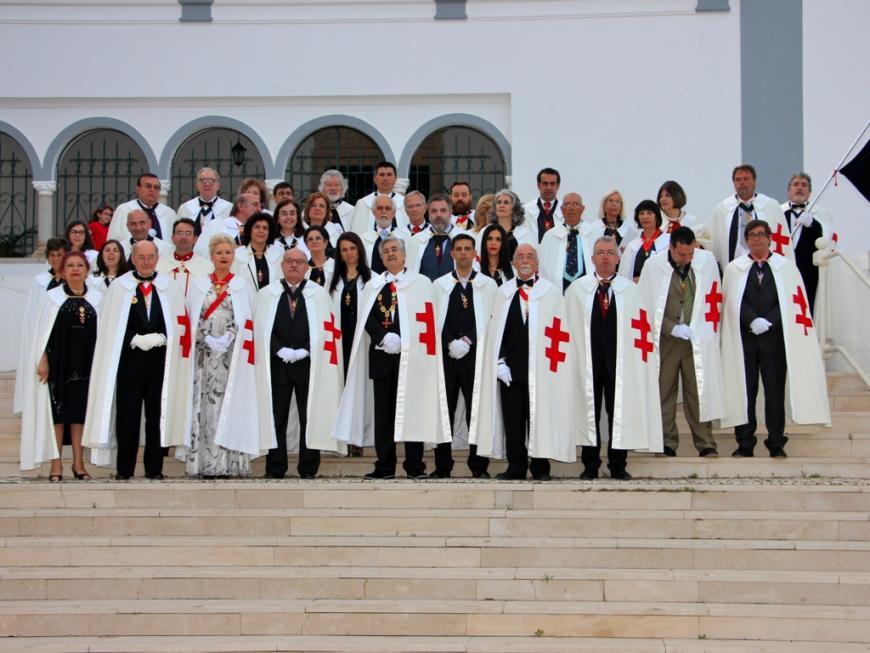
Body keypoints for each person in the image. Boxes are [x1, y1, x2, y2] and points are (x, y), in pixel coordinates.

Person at [334, 235, 445, 478]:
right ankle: (385, 465)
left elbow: (428, 320)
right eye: (386, 252)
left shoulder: (421, 283)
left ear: (405, 255)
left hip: (412, 359)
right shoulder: (373, 285)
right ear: (381, 258)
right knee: (384, 415)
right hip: (382, 355)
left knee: (412, 411)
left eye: (395, 250)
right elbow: (366, 318)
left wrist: (406, 341)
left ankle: (415, 466)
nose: (391, 254)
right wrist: (383, 337)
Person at [720, 219, 830, 458]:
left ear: (769, 237)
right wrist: (751, 320)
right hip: (745, 342)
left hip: (774, 342)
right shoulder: (734, 268)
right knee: (745, 393)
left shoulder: (785, 267)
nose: (757, 238)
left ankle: (776, 442)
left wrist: (769, 320)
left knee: (774, 394)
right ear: (746, 240)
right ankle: (745, 443)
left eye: (761, 234)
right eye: (752, 235)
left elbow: (792, 300)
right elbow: (731, 301)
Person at [83, 240, 192, 480]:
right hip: (129, 364)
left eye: (150, 257)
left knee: (156, 417)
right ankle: (124, 469)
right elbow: (111, 325)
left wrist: (164, 336)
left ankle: (155, 468)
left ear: (156, 258)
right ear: (132, 259)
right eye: (141, 257)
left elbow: (179, 322)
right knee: (127, 417)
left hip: (159, 363)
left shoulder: (169, 286)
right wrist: (133, 338)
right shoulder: (119, 287)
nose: (146, 261)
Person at [565, 236, 663, 480]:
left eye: (610, 252)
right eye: (600, 253)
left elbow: (642, 329)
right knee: (589, 413)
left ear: (618, 259)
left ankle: (618, 464)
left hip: (620, 365)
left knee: (619, 413)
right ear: (593, 259)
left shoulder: (630, 291)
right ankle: (590, 464)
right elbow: (567, 328)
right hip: (588, 364)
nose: (606, 257)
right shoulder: (577, 290)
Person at [475, 244, 575, 480]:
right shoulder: (503, 292)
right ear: (513, 263)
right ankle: (516, 466)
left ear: (537, 263)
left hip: (541, 370)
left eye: (530, 256)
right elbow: (494, 330)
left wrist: (552, 366)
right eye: (520, 256)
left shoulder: (550, 292)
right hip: (511, 370)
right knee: (513, 420)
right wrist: (498, 362)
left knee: (540, 417)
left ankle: (541, 467)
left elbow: (560, 332)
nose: (525, 260)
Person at [255, 247, 347, 478]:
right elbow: (261, 328)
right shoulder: (268, 294)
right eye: (289, 261)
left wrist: (306, 350)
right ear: (282, 265)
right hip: (278, 365)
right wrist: (279, 350)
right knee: (277, 418)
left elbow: (326, 329)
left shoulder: (319, 294)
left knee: (310, 416)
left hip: (309, 366)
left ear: (307, 267)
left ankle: (308, 467)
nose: (294, 265)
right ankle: (275, 467)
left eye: (299, 261)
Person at [637, 227, 724, 457]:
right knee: (664, 392)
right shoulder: (653, 266)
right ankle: (666, 442)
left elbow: (713, 297)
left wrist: (701, 329)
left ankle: (705, 442)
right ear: (671, 248)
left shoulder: (705, 262)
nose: (686, 259)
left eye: (690, 254)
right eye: (681, 255)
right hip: (666, 340)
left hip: (695, 340)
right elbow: (646, 306)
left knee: (698, 392)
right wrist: (671, 328)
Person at [20, 251, 103, 479]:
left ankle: (78, 464)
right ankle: (56, 464)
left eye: (80, 265)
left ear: (87, 270)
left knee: (79, 415)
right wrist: (42, 359)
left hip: (87, 364)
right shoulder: (52, 298)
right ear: (63, 271)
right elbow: (42, 334)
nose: (75, 269)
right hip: (58, 364)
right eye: (70, 266)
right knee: (57, 415)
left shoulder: (98, 298)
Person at [184, 234, 257, 477]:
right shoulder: (199, 284)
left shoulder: (241, 285)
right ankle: (205, 463)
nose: (224, 256)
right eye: (219, 253)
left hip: (232, 357)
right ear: (211, 256)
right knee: (205, 408)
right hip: (205, 356)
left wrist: (229, 336)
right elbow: (191, 316)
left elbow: (248, 318)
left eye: (228, 252)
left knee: (230, 405)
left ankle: (230, 464)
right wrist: (206, 337)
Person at [432, 233, 497, 478]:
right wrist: (450, 341)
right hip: (447, 357)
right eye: (457, 249)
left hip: (475, 357)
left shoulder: (487, 285)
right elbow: (436, 318)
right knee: (444, 410)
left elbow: (489, 317)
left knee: (475, 410)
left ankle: (478, 465)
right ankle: (442, 465)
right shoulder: (440, 285)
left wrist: (468, 340)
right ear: (452, 253)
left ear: (474, 253)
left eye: (467, 249)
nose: (462, 253)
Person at [14, 237, 70, 416]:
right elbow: (34, 315)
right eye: (52, 255)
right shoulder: (40, 281)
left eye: (60, 255)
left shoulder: (73, 280)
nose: (56, 259)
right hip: (47, 340)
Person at [329, 232, 372, 457]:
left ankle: (359, 437)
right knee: (341, 387)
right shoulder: (333, 280)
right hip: (339, 340)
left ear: (359, 250)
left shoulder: (371, 279)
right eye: (344, 249)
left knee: (359, 389)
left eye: (352, 248)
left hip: (361, 340)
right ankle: (341, 437)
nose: (348, 253)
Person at [710, 164, 793, 269]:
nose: (742, 182)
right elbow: (716, 245)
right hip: (735, 268)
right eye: (738, 179)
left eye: (746, 179)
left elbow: (783, 240)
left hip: (765, 267)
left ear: (754, 182)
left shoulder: (771, 206)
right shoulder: (722, 210)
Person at [781, 172, 834, 314]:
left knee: (807, 309)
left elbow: (829, 237)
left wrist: (813, 224)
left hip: (809, 272)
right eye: (796, 184)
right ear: (789, 190)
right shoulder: (779, 212)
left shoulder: (820, 213)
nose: (800, 188)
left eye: (804, 185)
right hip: (783, 268)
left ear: (809, 192)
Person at [538, 192, 595, 292]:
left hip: (587, 290)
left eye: (575, 204)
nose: (571, 208)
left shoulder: (594, 234)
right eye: (567, 204)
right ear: (561, 209)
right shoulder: (550, 236)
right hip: (558, 291)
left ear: (583, 209)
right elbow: (542, 267)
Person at [108, 173, 177, 242]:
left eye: (156, 187)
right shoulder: (124, 210)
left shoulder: (169, 213)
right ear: (138, 189)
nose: (152, 190)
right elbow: (113, 240)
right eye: (148, 186)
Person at [156, 218, 211, 296]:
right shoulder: (159, 265)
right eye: (179, 233)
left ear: (195, 239)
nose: (183, 237)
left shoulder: (207, 267)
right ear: (173, 238)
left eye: (188, 233)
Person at [195, 193, 261, 258]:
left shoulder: (258, 233)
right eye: (255, 205)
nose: (259, 209)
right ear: (241, 206)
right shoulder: (216, 225)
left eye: (260, 206)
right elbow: (200, 253)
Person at [349, 161, 406, 234]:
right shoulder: (363, 204)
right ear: (375, 179)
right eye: (382, 175)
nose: (385, 178)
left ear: (395, 179)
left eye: (389, 175)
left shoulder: (404, 203)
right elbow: (356, 231)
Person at [619, 200, 669, 282]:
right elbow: (624, 273)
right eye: (641, 213)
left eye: (649, 213)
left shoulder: (668, 242)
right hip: (635, 290)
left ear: (657, 216)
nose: (645, 217)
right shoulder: (632, 246)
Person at [360, 195, 411, 275]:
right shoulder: (363, 239)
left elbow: (409, 264)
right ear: (374, 212)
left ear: (394, 213)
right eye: (380, 208)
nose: (384, 211)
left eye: (388, 208)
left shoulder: (405, 238)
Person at [411, 194, 456, 281]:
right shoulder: (416, 241)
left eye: (443, 210)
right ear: (428, 213)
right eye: (434, 211)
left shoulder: (464, 238)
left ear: (450, 213)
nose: (438, 215)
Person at [176, 167, 233, 234]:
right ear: (197, 185)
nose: (207, 184)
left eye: (212, 180)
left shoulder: (229, 209)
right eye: (203, 180)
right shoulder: (185, 208)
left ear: (218, 186)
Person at [483, 189, 535, 261]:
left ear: (514, 207)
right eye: (499, 202)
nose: (501, 205)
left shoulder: (525, 233)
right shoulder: (485, 231)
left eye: (506, 202)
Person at [235, 212, 281, 290]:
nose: (261, 231)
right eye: (257, 227)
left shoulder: (279, 254)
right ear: (250, 230)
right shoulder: (237, 255)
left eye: (265, 228)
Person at [523, 167, 563, 242]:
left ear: (558, 186)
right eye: (545, 183)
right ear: (538, 186)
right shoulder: (527, 210)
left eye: (552, 184)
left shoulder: (564, 209)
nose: (548, 187)